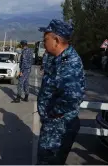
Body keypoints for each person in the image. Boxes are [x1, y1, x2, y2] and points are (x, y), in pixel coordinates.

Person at [36, 19, 85, 164]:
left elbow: (72, 97)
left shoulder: (70, 63)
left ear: (56, 40)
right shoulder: (57, 59)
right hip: (53, 125)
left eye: (46, 39)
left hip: (59, 128)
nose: (44, 43)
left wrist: (51, 113)